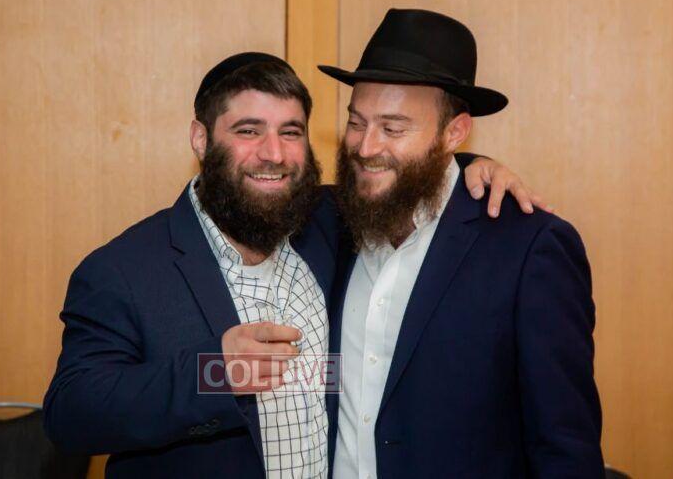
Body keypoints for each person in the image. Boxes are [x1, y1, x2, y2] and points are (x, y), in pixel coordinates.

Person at [43, 51, 543, 478]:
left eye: (291, 132)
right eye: (248, 130)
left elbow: (399, 171)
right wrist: (212, 372)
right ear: (201, 138)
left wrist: (470, 164)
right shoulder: (123, 270)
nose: (274, 154)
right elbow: (70, 414)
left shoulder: (328, 227)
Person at [320, 8, 604, 478]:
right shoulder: (330, 223)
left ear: (453, 132)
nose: (366, 147)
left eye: (393, 128)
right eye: (356, 122)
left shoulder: (529, 248)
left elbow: (564, 445)